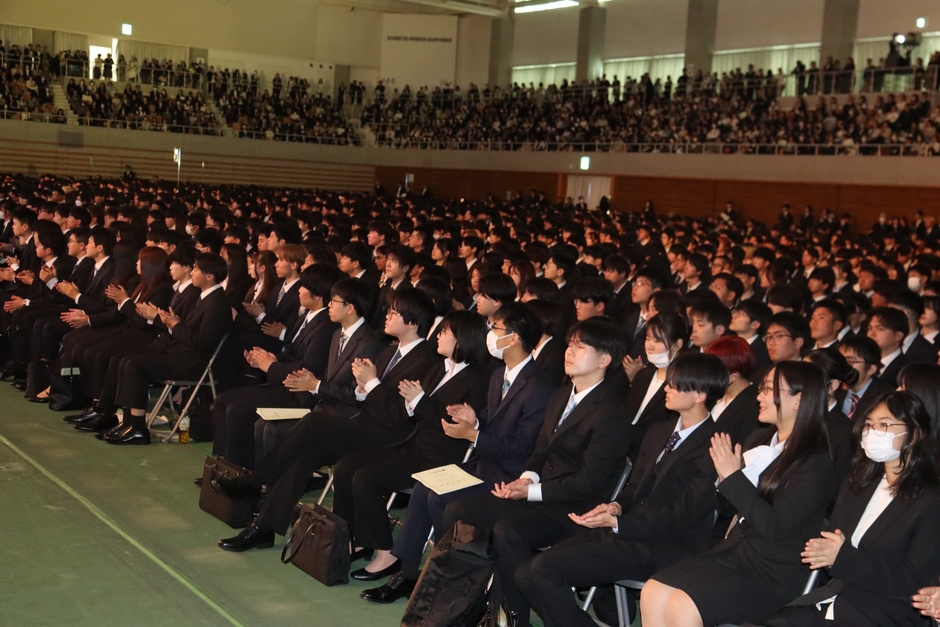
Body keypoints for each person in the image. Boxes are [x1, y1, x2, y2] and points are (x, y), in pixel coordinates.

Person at [213, 288, 440, 551]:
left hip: (392, 438)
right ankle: (262, 528)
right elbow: (365, 398)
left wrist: (373, 383)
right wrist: (362, 387)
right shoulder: (389, 352)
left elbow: (401, 416)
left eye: (394, 312)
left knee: (313, 423)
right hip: (366, 425)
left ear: (412, 322)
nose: (386, 316)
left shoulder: (427, 361)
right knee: (304, 453)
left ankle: (254, 481)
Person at [359, 302, 553, 603]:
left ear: (513, 338)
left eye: (495, 329)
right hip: (483, 463)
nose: (489, 334)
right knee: (426, 485)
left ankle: (446, 578)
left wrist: (474, 433)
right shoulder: (499, 373)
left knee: (441, 498)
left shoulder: (538, 386)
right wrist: (474, 418)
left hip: (508, 476)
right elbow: (491, 419)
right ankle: (410, 573)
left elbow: (523, 446)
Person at [515, 352, 728, 627]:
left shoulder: (714, 446)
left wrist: (619, 522)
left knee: (545, 569)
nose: (666, 388)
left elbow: (679, 516)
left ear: (699, 394)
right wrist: (615, 506)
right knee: (524, 574)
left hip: (665, 545)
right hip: (626, 530)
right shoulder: (659, 431)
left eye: (675, 385)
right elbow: (635, 487)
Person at [442, 317, 630, 625]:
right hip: (543, 494)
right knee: (459, 510)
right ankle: (464, 602)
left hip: (577, 507)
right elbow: (541, 450)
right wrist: (527, 478)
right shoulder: (561, 395)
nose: (569, 352)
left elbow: (589, 483)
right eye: (569, 344)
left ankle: (513, 616)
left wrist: (532, 490)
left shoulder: (610, 413)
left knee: (509, 532)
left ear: (604, 359)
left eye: (580, 347)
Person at [640, 361, 837, 626]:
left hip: (774, 571)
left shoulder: (815, 464)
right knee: (652, 591)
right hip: (736, 552)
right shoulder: (759, 440)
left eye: (768, 389)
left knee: (682, 606)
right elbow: (727, 510)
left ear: (798, 400)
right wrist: (723, 479)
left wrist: (732, 478)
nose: (759, 396)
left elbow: (775, 528)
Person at [331, 311, 490, 578]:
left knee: (367, 478)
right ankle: (356, 537)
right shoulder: (438, 368)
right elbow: (411, 409)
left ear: (462, 339)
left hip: (440, 456)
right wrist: (402, 399)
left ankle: (387, 552)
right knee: (346, 466)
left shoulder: (479, 380)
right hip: (413, 445)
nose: (437, 336)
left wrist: (419, 401)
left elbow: (454, 423)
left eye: (444, 332)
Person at [763, 391, 940, 627]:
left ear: (913, 435)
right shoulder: (857, 485)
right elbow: (834, 549)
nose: (872, 431)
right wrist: (825, 552)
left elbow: (916, 582)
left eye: (884, 424)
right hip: (832, 599)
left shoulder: (930, 502)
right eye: (868, 424)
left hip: (881, 613)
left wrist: (844, 557)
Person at [105, 252, 234, 445]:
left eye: (197, 269)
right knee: (126, 360)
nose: (193, 272)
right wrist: (172, 322)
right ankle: (130, 422)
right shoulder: (205, 297)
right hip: (181, 354)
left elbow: (201, 341)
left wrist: (174, 325)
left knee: (134, 365)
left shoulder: (217, 303)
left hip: (193, 362)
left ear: (210, 276)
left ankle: (138, 428)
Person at [623, 312, 686, 461]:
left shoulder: (682, 384)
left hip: (648, 455)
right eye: (647, 338)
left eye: (657, 341)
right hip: (623, 447)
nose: (649, 346)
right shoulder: (643, 374)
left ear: (677, 344)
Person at [705, 335, 760, 446]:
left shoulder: (754, 406)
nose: (706, 375)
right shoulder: (712, 395)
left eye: (713, 371)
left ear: (733, 376)